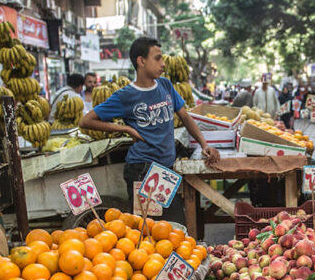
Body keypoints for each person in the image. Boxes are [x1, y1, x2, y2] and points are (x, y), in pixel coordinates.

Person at [79, 37, 220, 222]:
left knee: (167, 229)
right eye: (158, 58)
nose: (163, 64)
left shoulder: (165, 86)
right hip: (143, 168)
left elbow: (185, 117)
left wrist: (204, 144)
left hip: (166, 168)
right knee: (155, 228)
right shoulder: (126, 95)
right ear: (141, 60)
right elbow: (86, 121)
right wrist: (126, 129)